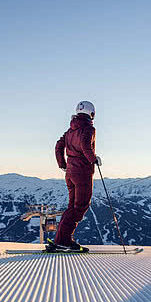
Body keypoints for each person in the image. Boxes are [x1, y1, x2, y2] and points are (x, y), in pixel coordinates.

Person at [47, 101, 102, 253]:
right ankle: (63, 242)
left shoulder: (70, 130)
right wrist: (93, 159)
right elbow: (85, 145)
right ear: (92, 113)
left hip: (70, 172)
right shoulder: (89, 128)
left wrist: (62, 164)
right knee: (80, 207)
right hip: (82, 172)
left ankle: (61, 240)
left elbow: (58, 145)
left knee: (72, 207)